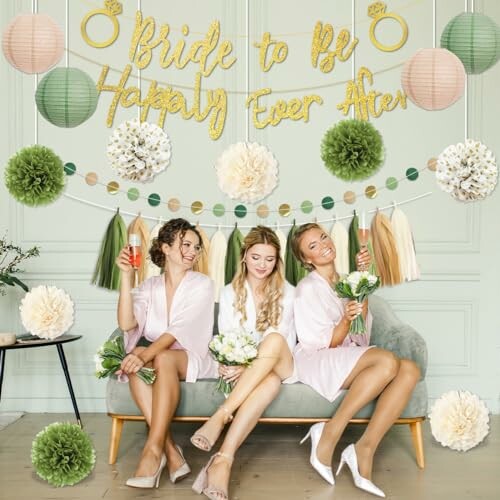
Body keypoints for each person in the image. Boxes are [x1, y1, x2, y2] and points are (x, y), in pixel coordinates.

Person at [291, 223, 420, 498]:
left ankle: (364, 449)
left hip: (344, 353)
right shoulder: (306, 289)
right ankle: (329, 433)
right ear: (306, 259)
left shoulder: (345, 281)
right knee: (387, 362)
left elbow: (360, 337)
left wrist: (361, 282)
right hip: (316, 358)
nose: (323, 244)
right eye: (312, 246)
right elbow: (320, 342)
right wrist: (345, 319)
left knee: (409, 369)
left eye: (323, 237)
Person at [190, 226, 296, 500]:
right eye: (257, 257)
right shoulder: (228, 293)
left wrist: (247, 364)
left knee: (272, 339)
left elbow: (285, 339)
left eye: (270, 259)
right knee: (269, 382)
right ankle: (223, 460)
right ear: (244, 256)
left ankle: (221, 415)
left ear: (277, 261)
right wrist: (234, 362)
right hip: (260, 372)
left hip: (284, 362)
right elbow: (227, 337)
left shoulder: (289, 292)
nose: (263, 265)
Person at [115, 218, 216, 488]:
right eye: (185, 244)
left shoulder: (202, 284)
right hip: (161, 358)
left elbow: (177, 332)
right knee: (138, 363)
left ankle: (151, 451)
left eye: (196, 247)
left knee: (154, 356)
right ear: (166, 248)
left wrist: (144, 355)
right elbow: (127, 323)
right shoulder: (150, 287)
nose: (192, 251)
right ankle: (171, 452)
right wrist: (126, 277)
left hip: (192, 357)